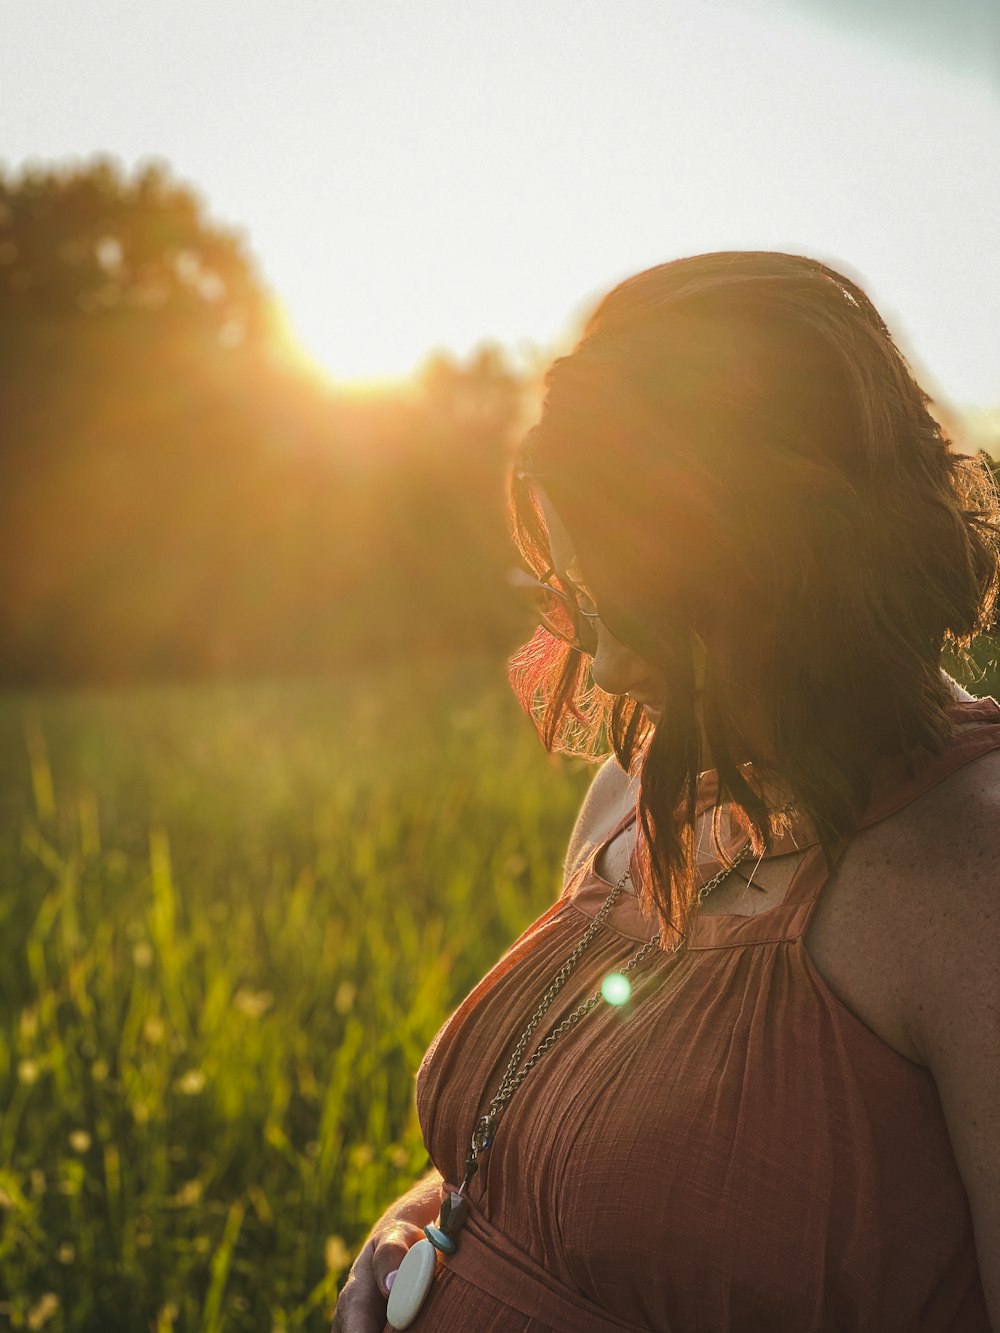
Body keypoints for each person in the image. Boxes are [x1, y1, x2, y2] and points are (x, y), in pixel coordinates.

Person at [332, 251, 1000, 1332]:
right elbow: (564, 1156)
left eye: (614, 597)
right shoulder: (630, 798)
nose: (593, 665)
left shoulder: (969, 880)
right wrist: (419, 1226)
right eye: (565, 588)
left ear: (760, 568)